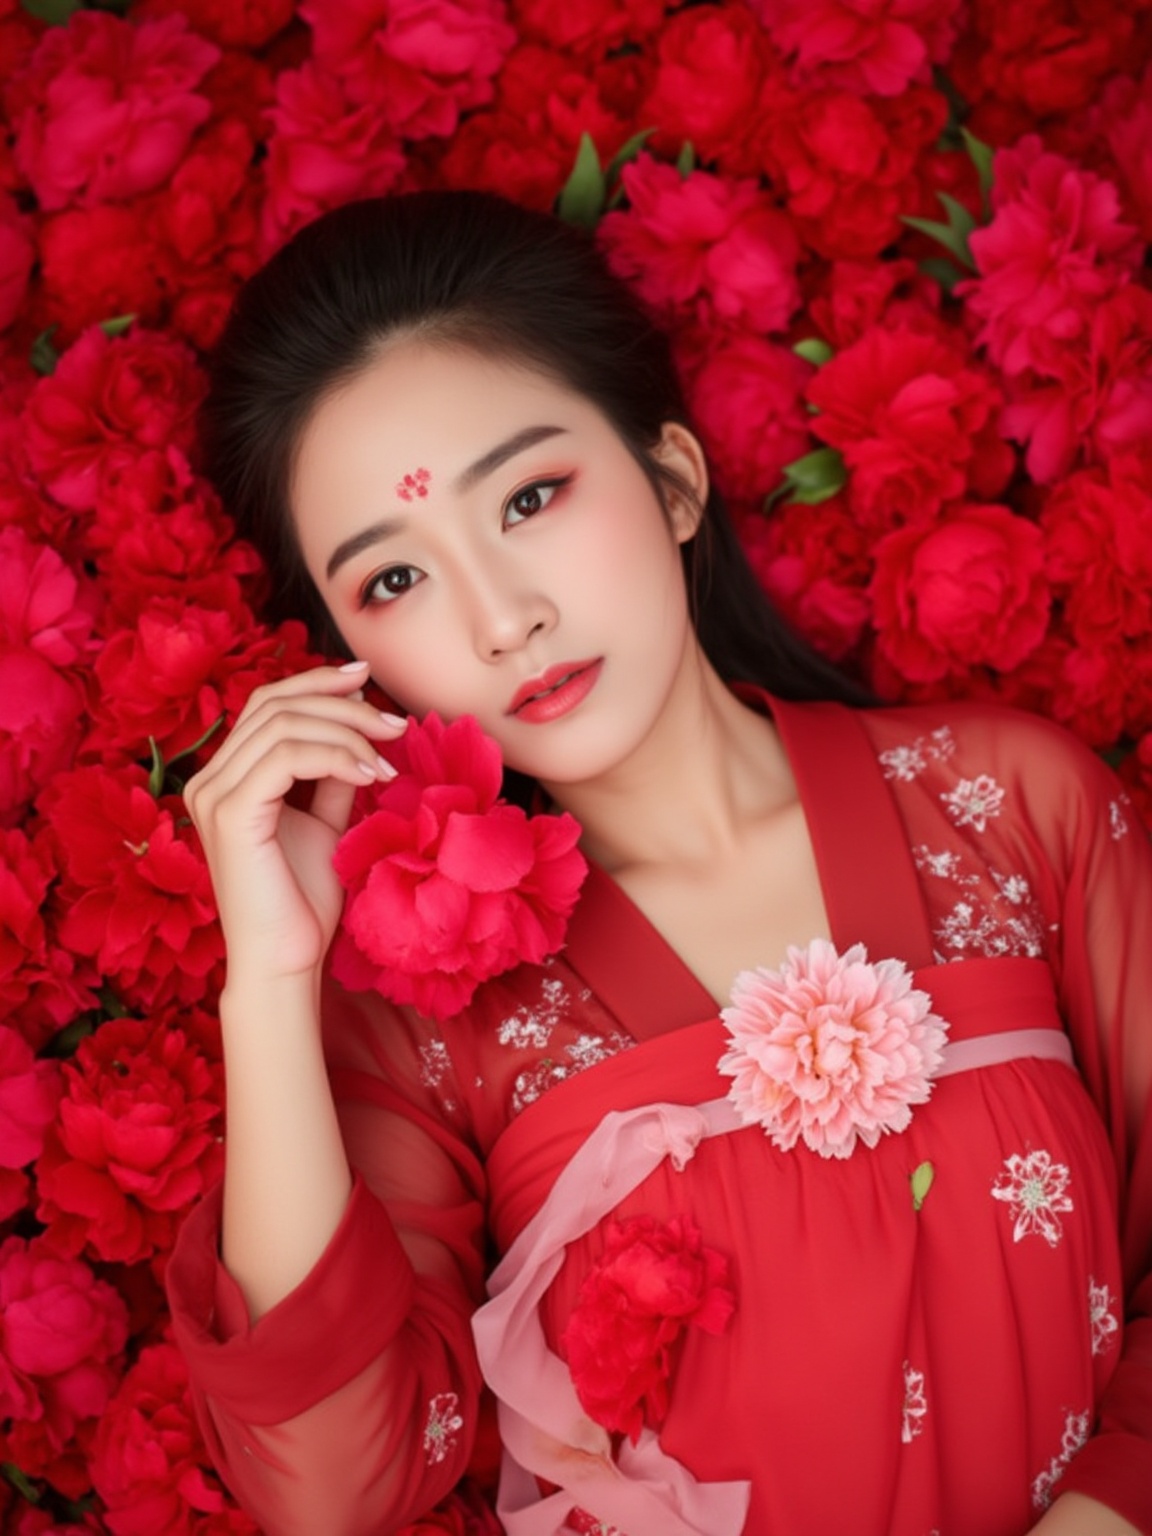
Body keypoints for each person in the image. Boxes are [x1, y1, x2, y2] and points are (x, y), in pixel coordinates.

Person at [166, 190, 1152, 1536]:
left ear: (674, 479)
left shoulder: (1012, 809)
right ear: (346, 662)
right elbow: (336, 1485)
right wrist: (271, 985)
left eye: (530, 496)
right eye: (393, 581)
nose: (503, 617)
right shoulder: (425, 1024)